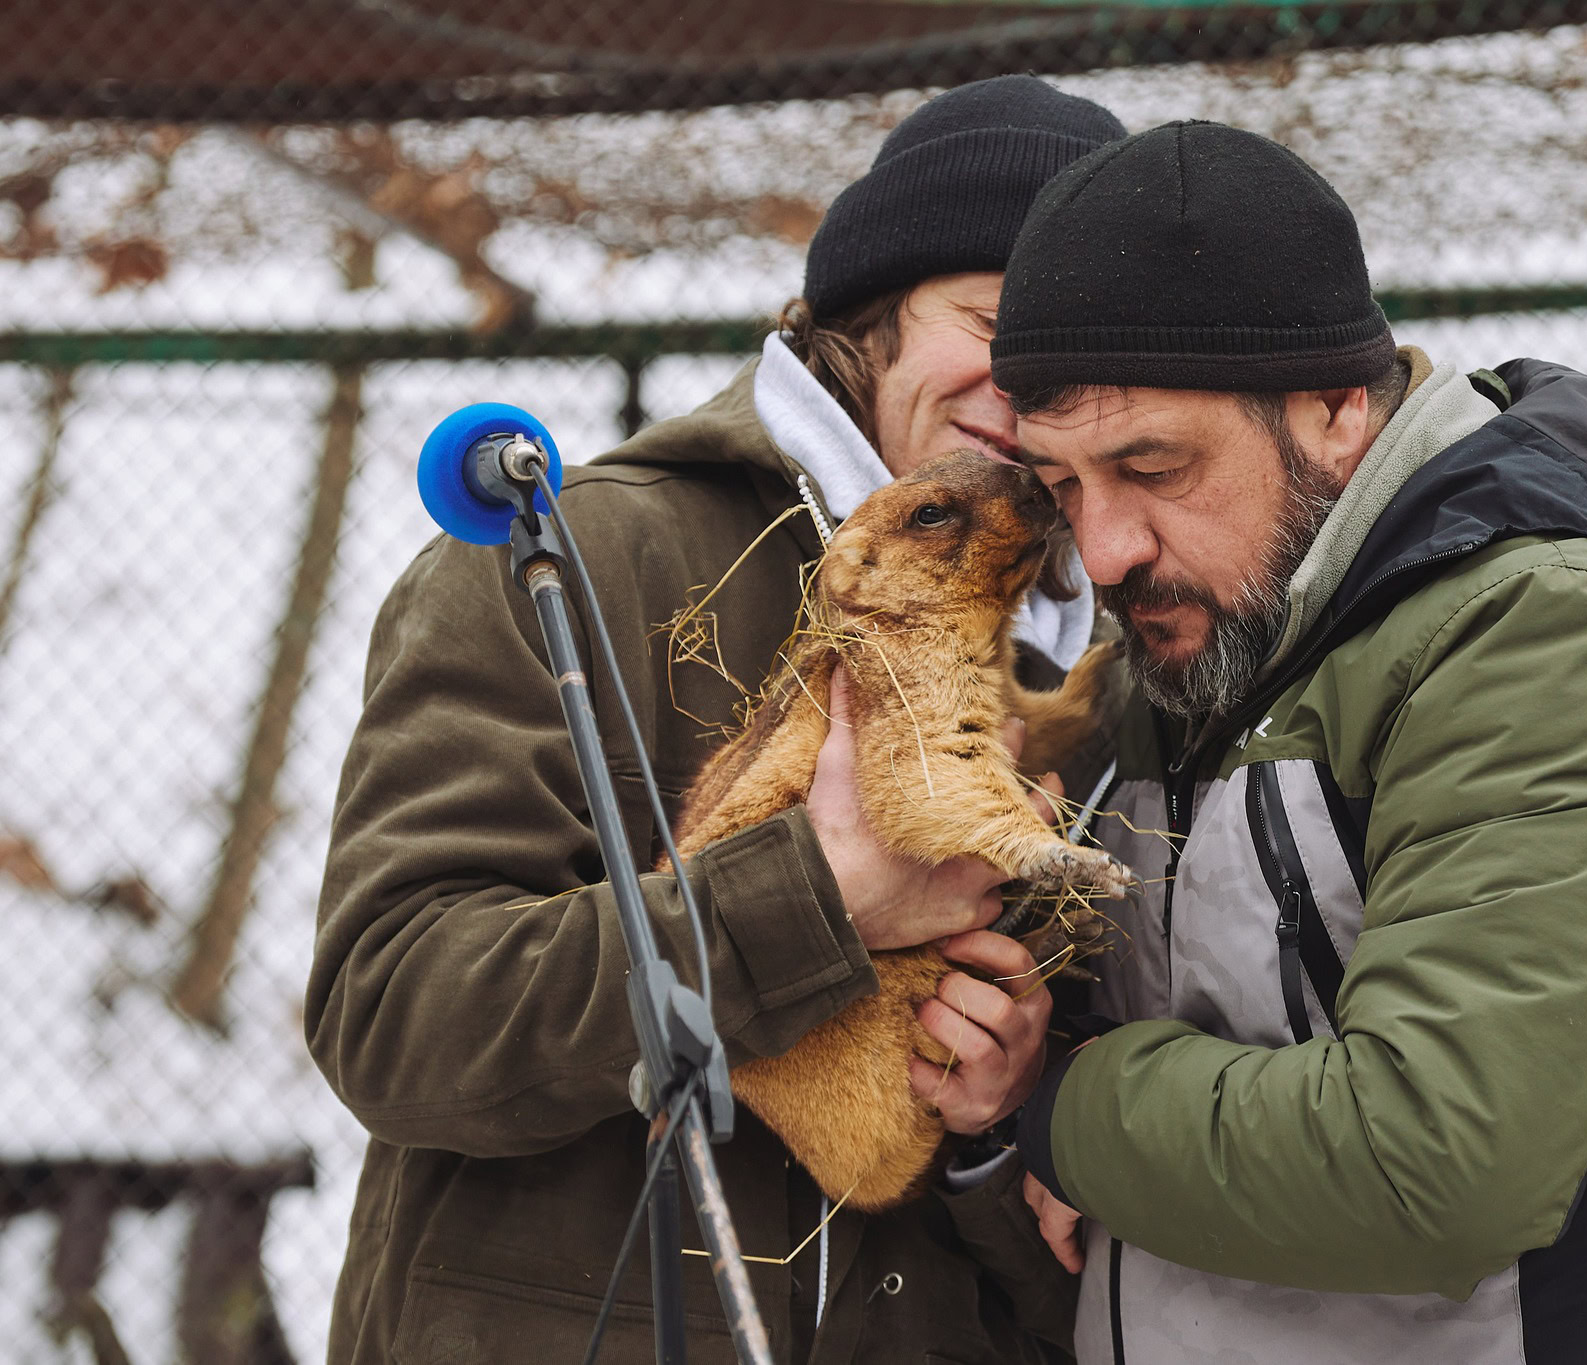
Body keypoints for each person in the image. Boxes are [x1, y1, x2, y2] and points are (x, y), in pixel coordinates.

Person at [990, 121, 1587, 1364]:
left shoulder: (1569, 644)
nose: (1106, 547)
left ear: (1337, 408)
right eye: (1063, 485)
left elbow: (1427, 1162)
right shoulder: (1209, 639)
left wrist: (1061, 1110)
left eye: (1152, 464)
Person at [308, 76, 1125, 1365]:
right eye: (993, 322)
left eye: (1085, 358)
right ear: (872, 312)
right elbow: (397, 1017)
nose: (1031, 391)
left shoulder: (1105, 662)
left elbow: (1062, 1260)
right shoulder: (571, 563)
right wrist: (820, 896)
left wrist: (1010, 1109)